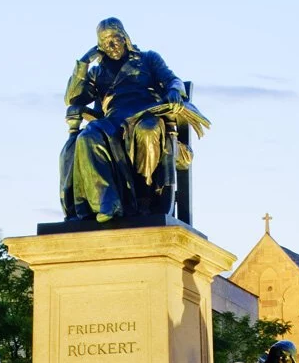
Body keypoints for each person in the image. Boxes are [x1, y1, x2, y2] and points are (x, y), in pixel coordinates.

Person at [59, 18, 208, 222]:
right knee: (88, 137)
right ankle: (108, 202)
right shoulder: (97, 72)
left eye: (114, 39)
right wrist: (84, 62)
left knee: (148, 130)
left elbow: (173, 80)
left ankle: (146, 199)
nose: (111, 46)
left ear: (125, 37)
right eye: (104, 42)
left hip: (145, 115)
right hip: (113, 122)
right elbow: (73, 98)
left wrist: (174, 90)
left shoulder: (148, 59)